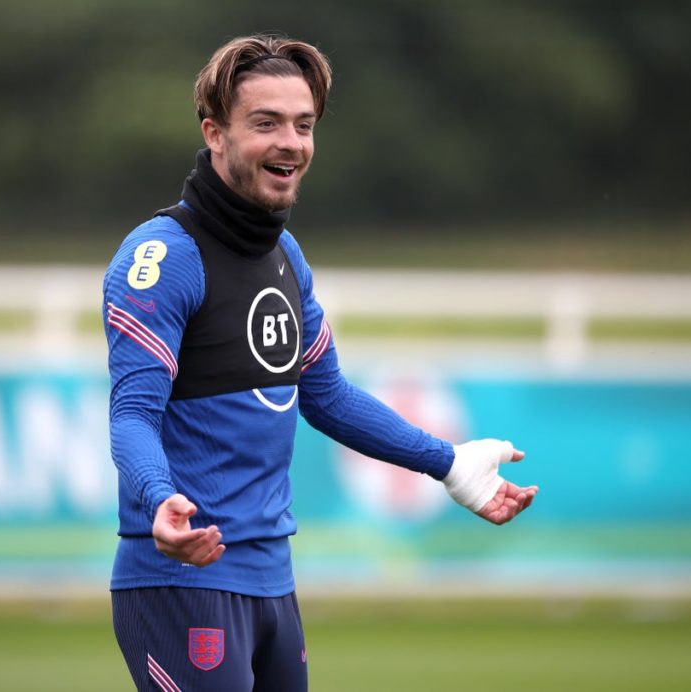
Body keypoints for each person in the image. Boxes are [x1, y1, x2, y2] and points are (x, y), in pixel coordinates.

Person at [102, 33, 538, 692]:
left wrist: (448, 462)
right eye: (266, 123)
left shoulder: (285, 256)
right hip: (182, 580)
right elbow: (133, 412)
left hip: (273, 582)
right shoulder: (163, 258)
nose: (291, 143)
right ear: (215, 133)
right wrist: (160, 499)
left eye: (303, 125)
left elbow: (328, 396)